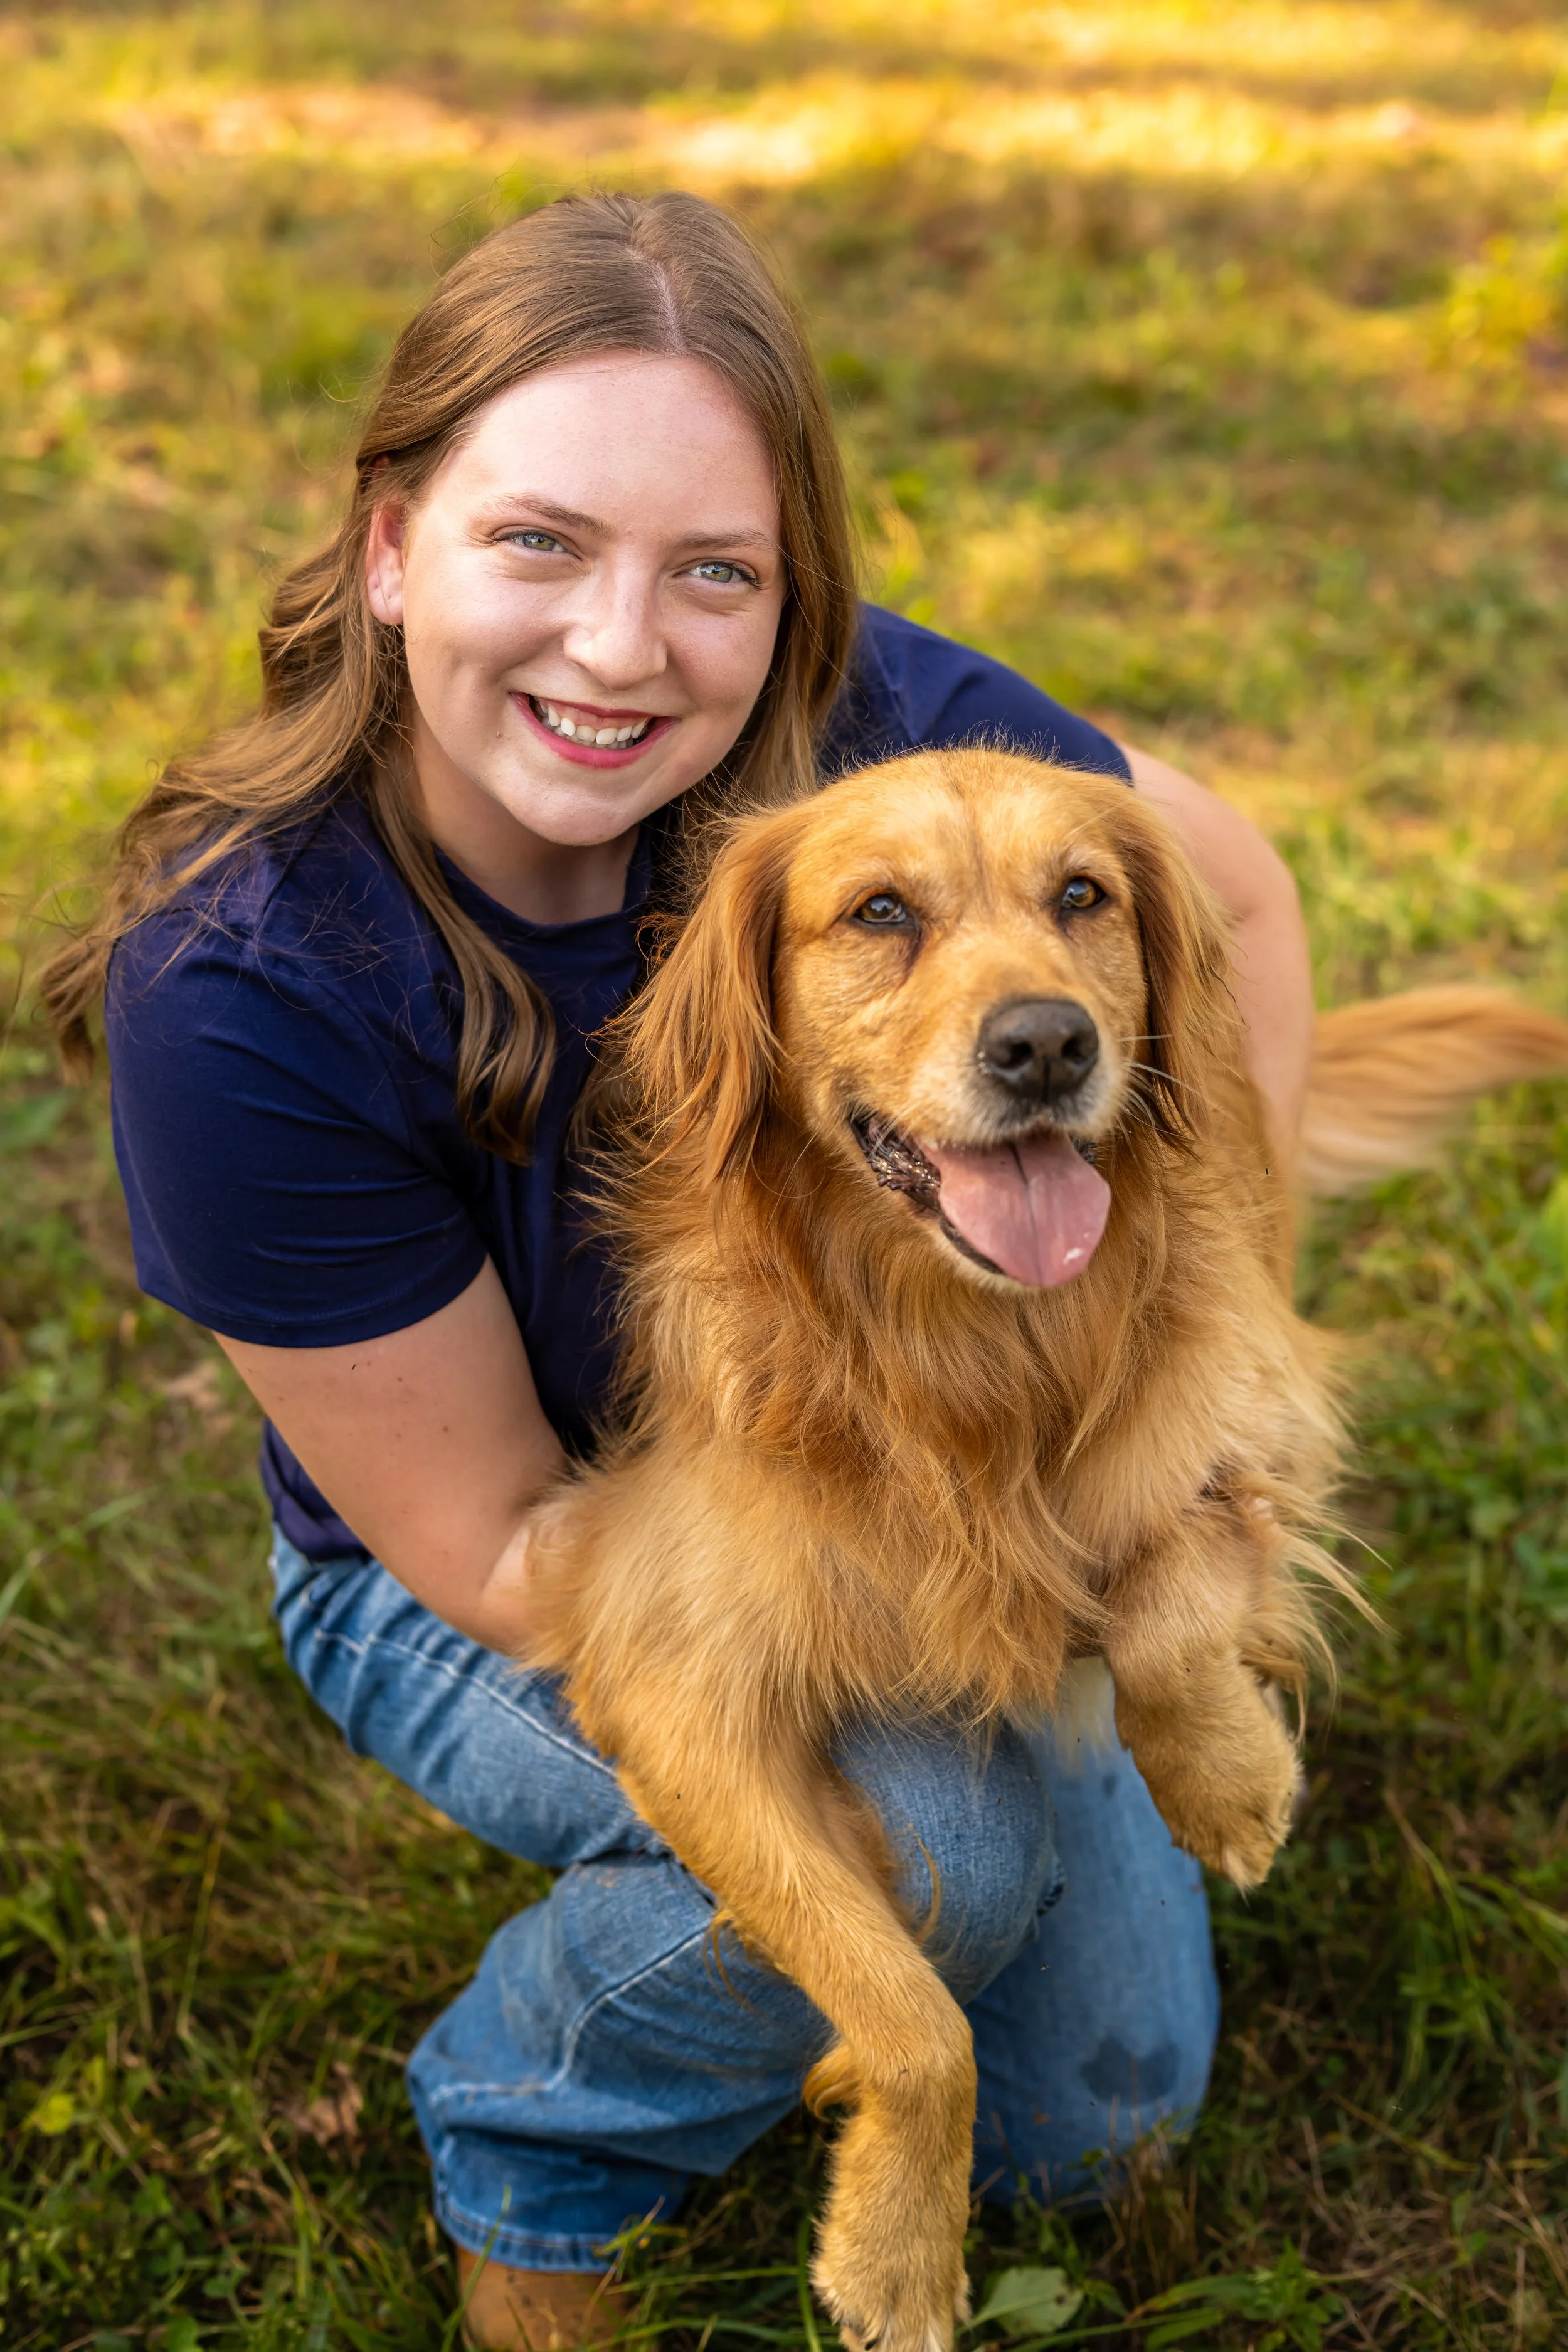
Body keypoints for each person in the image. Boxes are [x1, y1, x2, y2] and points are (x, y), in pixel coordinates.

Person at [45, 192, 1312, 2349]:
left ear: (789, 594)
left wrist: (1180, 1393)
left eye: (712, 571)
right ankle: (529, 2145)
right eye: (535, 541)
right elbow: (508, 1549)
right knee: (936, 1848)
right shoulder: (245, 982)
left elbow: (1232, 904)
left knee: (1097, 2121)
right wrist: (1022, 1572)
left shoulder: (880, 723)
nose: (624, 648)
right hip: (524, 1538)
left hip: (911, 1467)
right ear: (387, 542)